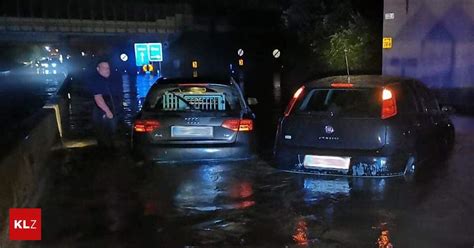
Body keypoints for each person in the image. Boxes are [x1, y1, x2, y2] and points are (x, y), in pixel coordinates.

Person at [87, 59, 120, 149]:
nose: (107, 70)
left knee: (111, 135)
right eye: (104, 68)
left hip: (110, 111)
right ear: (98, 69)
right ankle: (107, 154)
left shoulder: (108, 80)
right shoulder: (97, 81)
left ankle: (109, 152)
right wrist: (108, 112)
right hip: (102, 113)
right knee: (105, 136)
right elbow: (98, 98)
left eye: (108, 68)